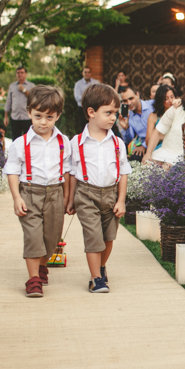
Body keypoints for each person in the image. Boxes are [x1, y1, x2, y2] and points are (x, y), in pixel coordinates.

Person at [2, 86, 72, 298]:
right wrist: (16, 197)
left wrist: (68, 198)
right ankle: (33, 280)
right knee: (33, 236)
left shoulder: (64, 142)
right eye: (38, 116)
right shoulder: (20, 144)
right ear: (29, 112)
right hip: (30, 193)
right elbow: (12, 171)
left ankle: (43, 265)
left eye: (49, 117)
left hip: (55, 194)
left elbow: (68, 171)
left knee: (51, 238)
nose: (43, 122)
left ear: (57, 116)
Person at [66, 84, 131, 293]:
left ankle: (101, 267)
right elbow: (73, 173)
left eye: (115, 113)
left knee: (108, 237)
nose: (113, 118)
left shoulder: (117, 143)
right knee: (93, 237)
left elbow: (123, 172)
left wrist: (121, 200)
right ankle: (96, 279)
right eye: (108, 112)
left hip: (111, 195)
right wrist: (70, 200)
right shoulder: (76, 142)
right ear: (91, 113)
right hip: (86, 194)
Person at [118, 85, 154, 161]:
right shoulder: (129, 117)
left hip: (158, 142)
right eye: (125, 101)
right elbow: (128, 140)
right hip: (143, 146)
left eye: (131, 98)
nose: (129, 103)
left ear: (137, 95)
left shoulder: (152, 105)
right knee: (132, 161)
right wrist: (126, 128)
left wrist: (144, 146)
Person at [4, 66, 35, 140]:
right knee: (15, 140)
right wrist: (6, 116)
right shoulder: (12, 86)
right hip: (15, 117)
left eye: (22, 72)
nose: (20, 74)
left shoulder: (31, 86)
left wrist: (24, 90)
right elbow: (8, 101)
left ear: (26, 74)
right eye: (18, 73)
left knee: (28, 140)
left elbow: (34, 100)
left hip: (27, 117)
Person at [74, 66, 100, 134]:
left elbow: (100, 95)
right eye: (85, 72)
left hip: (94, 109)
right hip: (82, 109)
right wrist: (89, 98)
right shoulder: (78, 84)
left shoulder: (96, 83)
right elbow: (77, 97)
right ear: (82, 73)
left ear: (91, 73)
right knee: (83, 129)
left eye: (88, 72)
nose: (87, 74)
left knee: (94, 127)